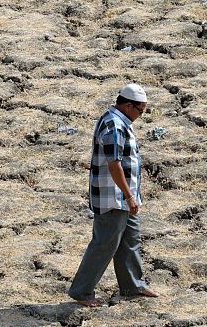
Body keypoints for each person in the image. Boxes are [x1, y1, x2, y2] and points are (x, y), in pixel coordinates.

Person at [68, 83, 160, 307]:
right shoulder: (114, 125)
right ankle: (82, 291)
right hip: (114, 197)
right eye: (141, 111)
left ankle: (132, 285)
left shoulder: (119, 121)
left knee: (130, 239)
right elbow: (114, 164)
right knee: (105, 243)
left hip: (124, 197)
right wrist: (128, 195)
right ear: (129, 105)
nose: (141, 115)